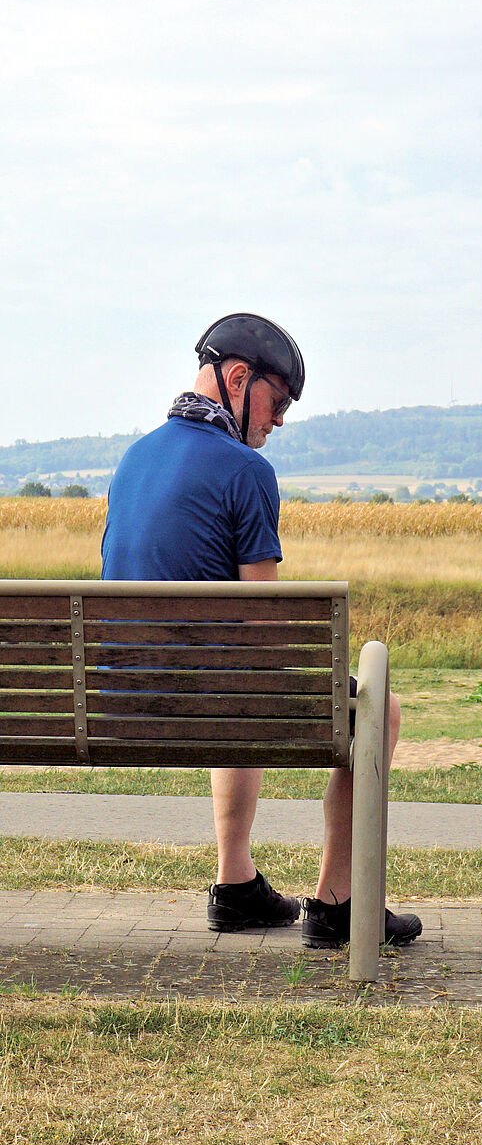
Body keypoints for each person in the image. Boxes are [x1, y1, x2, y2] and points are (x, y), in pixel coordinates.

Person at [101, 313, 421, 949]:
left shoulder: (133, 459)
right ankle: (338, 902)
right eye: (279, 402)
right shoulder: (245, 469)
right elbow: (267, 623)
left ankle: (237, 885)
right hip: (209, 700)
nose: (279, 421)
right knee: (376, 706)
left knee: (233, 681)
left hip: (113, 700)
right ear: (238, 377)